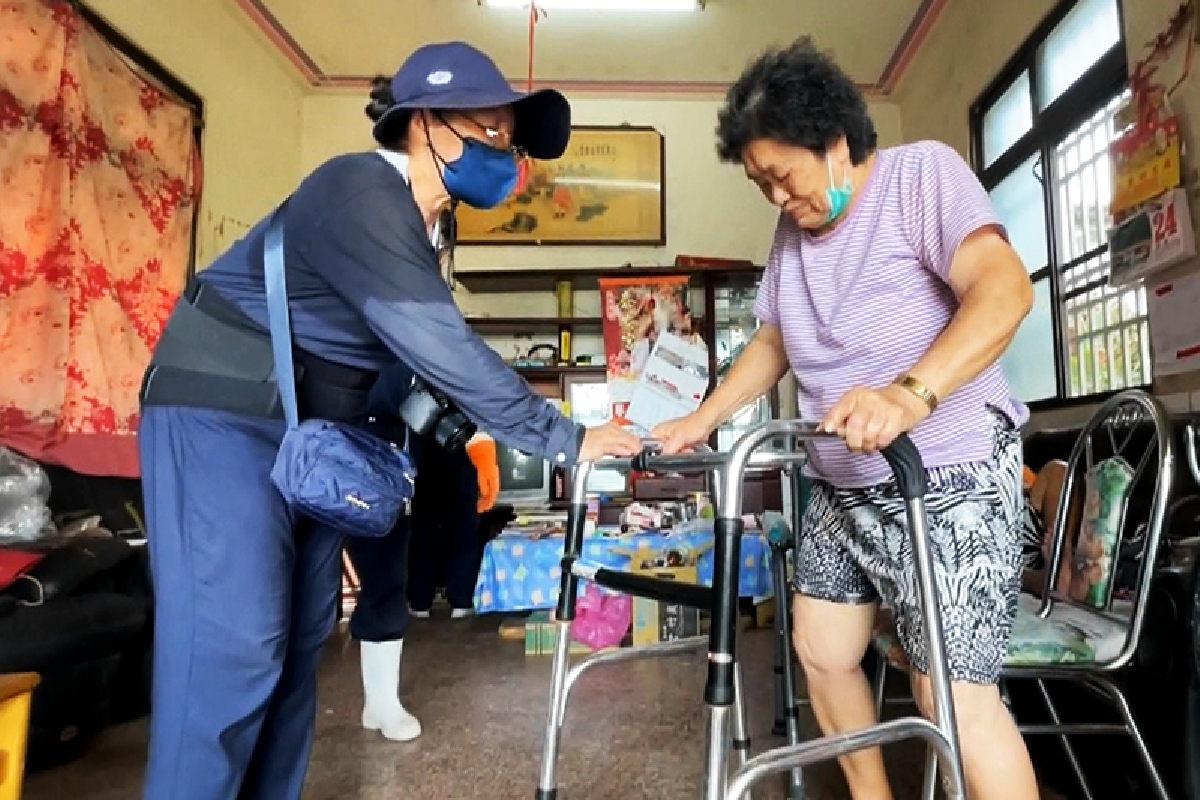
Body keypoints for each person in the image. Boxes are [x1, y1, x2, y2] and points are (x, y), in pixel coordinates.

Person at [136, 41, 641, 800]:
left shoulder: (422, 230)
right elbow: (448, 351)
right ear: (426, 125)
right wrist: (566, 437)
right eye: (494, 133)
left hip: (310, 435)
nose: (509, 157)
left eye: (513, 141)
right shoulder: (361, 192)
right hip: (220, 416)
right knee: (232, 647)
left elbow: (405, 364)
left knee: (298, 642)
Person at [650, 37, 1038, 800]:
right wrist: (703, 419)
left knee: (952, 701)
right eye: (759, 181)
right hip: (843, 484)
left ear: (834, 144)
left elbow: (1005, 289)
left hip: (949, 474)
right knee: (823, 652)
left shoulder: (920, 176)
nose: (774, 196)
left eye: (780, 175)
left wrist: (907, 394)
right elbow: (774, 340)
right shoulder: (794, 230)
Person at [345, 358, 501, 744]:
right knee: (301, 591)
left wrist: (478, 441)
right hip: (313, 442)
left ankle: (381, 702)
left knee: (385, 578)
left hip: (384, 457)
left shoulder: (402, 338)